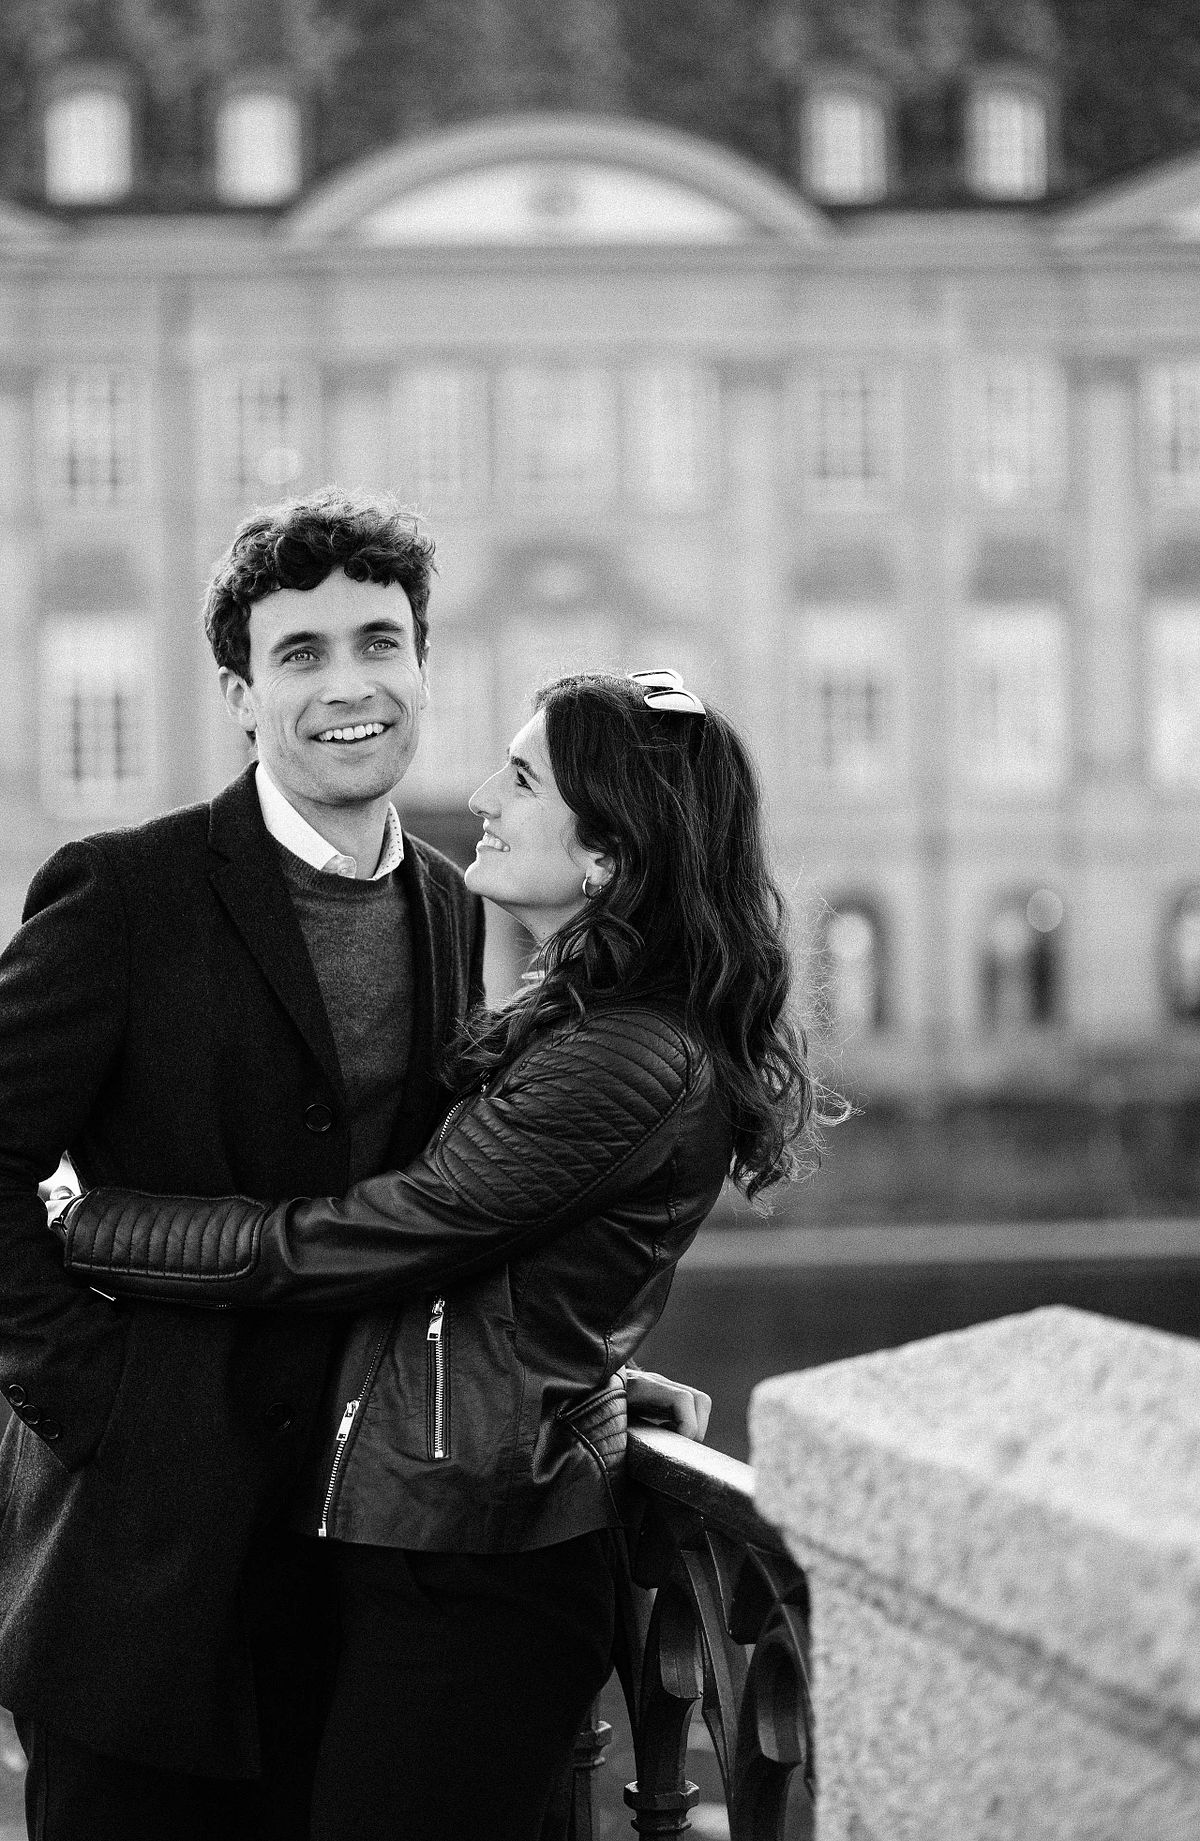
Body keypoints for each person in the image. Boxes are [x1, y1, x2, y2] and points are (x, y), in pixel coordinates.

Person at [0, 491, 699, 1841]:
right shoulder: (123, 893)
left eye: (379, 643)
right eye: (301, 654)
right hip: (140, 1575)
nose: (348, 686)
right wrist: (89, 1393)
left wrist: (583, 1370)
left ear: (423, 667)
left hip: (366, 1572)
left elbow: (449, 1215)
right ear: (241, 695)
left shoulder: (451, 899)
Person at [51, 669, 828, 1841]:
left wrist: (88, 1223)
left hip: (482, 1578)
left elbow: (366, 1239)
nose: (479, 798)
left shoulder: (624, 1057)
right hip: (432, 1539)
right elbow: (518, 1267)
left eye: (521, 779)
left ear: (608, 852)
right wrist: (587, 1368)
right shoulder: (588, 1023)